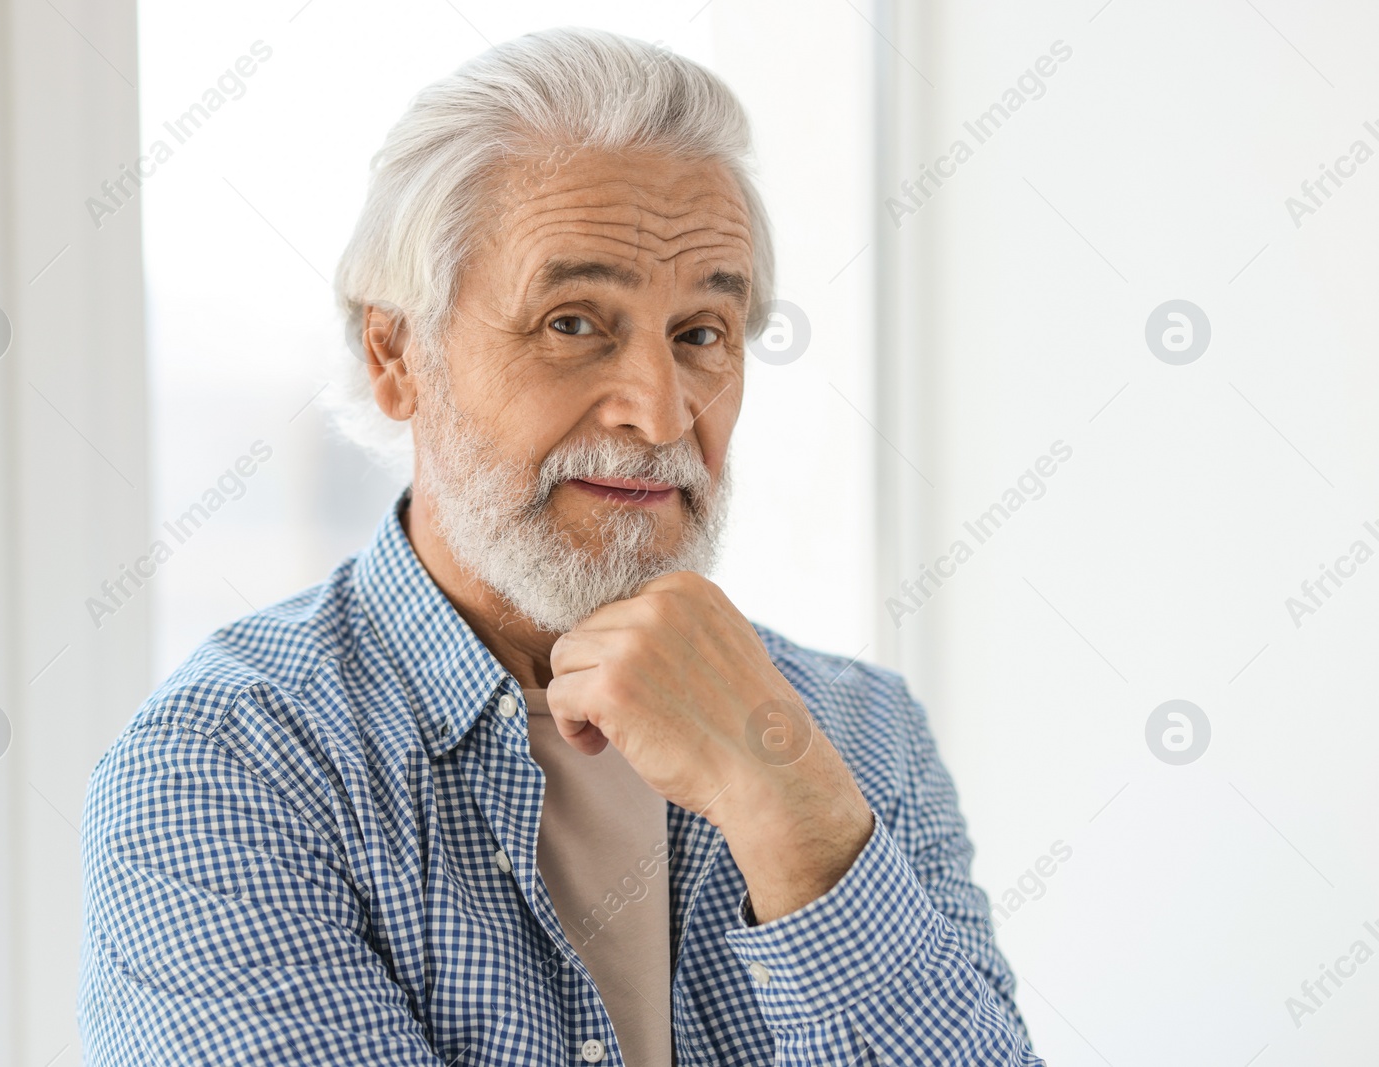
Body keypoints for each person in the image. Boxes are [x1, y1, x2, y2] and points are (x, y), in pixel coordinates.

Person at [78, 26, 1041, 1066]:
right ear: (396, 353)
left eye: (701, 334)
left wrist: (783, 799)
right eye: (574, 322)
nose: (660, 413)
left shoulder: (860, 734)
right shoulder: (231, 762)